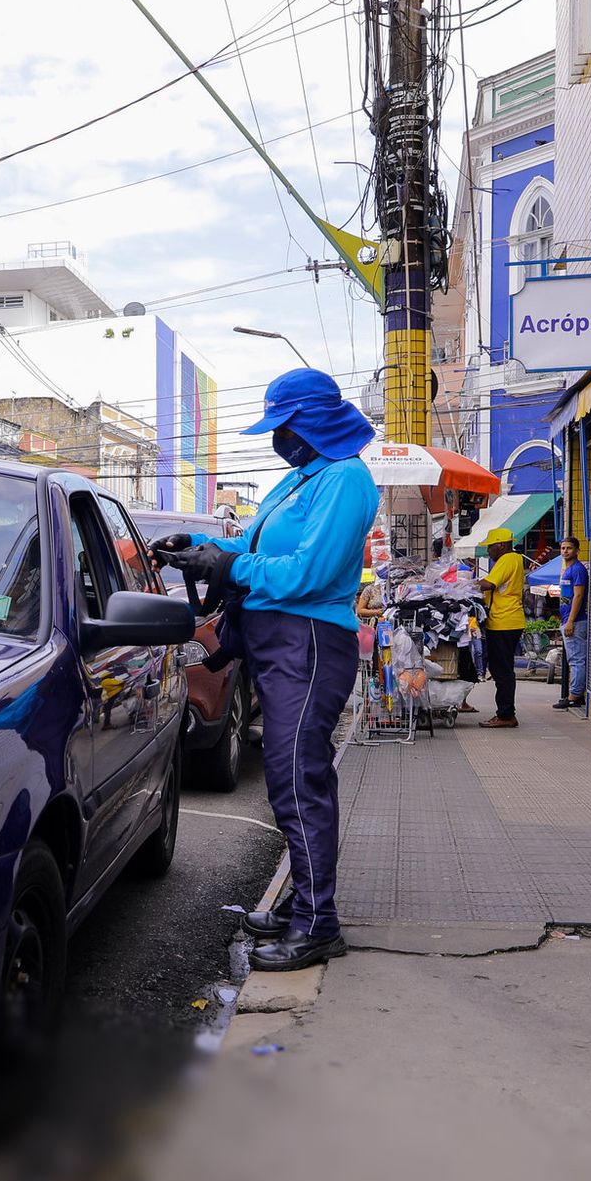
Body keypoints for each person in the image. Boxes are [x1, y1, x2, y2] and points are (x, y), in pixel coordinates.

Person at [152, 368, 379, 972]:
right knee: (288, 779)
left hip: (307, 641)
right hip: (277, 643)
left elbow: (305, 574)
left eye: (285, 426)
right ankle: (303, 903)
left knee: (298, 779)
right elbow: (252, 548)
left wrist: (227, 566)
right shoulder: (299, 479)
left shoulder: (345, 479)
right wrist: (198, 545)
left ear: (311, 423)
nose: (279, 438)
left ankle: (318, 924)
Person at [475, 527, 526, 728]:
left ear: (501, 545)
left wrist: (465, 585)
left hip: (505, 622)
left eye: (490, 547)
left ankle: (506, 715)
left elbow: (488, 584)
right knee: (500, 669)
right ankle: (505, 712)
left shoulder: (507, 559)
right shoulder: (513, 560)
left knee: (502, 670)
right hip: (505, 621)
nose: (488, 551)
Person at [553, 536, 589, 710]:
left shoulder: (578, 570)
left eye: (569, 548)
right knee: (574, 659)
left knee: (576, 660)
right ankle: (574, 694)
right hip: (567, 620)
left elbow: (579, 595)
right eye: (562, 548)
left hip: (575, 622)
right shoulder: (567, 569)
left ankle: (575, 696)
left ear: (577, 550)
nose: (565, 551)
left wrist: (571, 621)